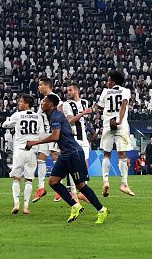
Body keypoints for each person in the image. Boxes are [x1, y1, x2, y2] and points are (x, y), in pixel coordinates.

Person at [26, 94, 109, 224]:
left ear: (50, 105)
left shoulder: (56, 115)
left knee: (80, 185)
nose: (42, 103)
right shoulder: (51, 116)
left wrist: (34, 142)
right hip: (65, 153)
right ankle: (75, 206)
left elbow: (55, 136)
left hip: (73, 153)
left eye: (44, 102)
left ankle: (101, 209)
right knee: (53, 182)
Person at [94, 70, 135, 197]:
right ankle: (124, 184)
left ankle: (105, 181)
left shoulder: (106, 92)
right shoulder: (125, 91)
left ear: (113, 81)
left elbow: (99, 106)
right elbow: (124, 105)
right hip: (120, 125)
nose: (107, 82)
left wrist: (101, 107)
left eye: (108, 80)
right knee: (122, 154)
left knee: (106, 154)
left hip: (107, 124)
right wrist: (120, 120)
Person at [2, 94, 44, 215]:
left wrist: (9, 122)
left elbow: (5, 125)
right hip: (32, 151)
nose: (19, 104)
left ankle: (16, 204)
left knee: (16, 178)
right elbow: (41, 134)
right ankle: (26, 207)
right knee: (29, 180)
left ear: (27, 104)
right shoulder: (38, 116)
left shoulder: (17, 115)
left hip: (20, 150)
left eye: (21, 102)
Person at [33, 77, 63, 203]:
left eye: (40, 85)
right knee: (41, 158)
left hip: (53, 132)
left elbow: (60, 113)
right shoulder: (42, 101)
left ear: (47, 86)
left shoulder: (54, 97)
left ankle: (58, 188)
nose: (39, 87)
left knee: (55, 156)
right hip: (44, 133)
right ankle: (41, 187)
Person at [63, 82, 93, 202]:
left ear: (76, 91)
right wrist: (83, 113)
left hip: (84, 138)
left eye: (70, 90)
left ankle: (83, 193)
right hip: (73, 138)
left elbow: (85, 122)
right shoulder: (67, 104)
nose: (68, 92)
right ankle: (74, 193)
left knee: (84, 166)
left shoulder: (85, 102)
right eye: (68, 90)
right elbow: (70, 121)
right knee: (73, 166)